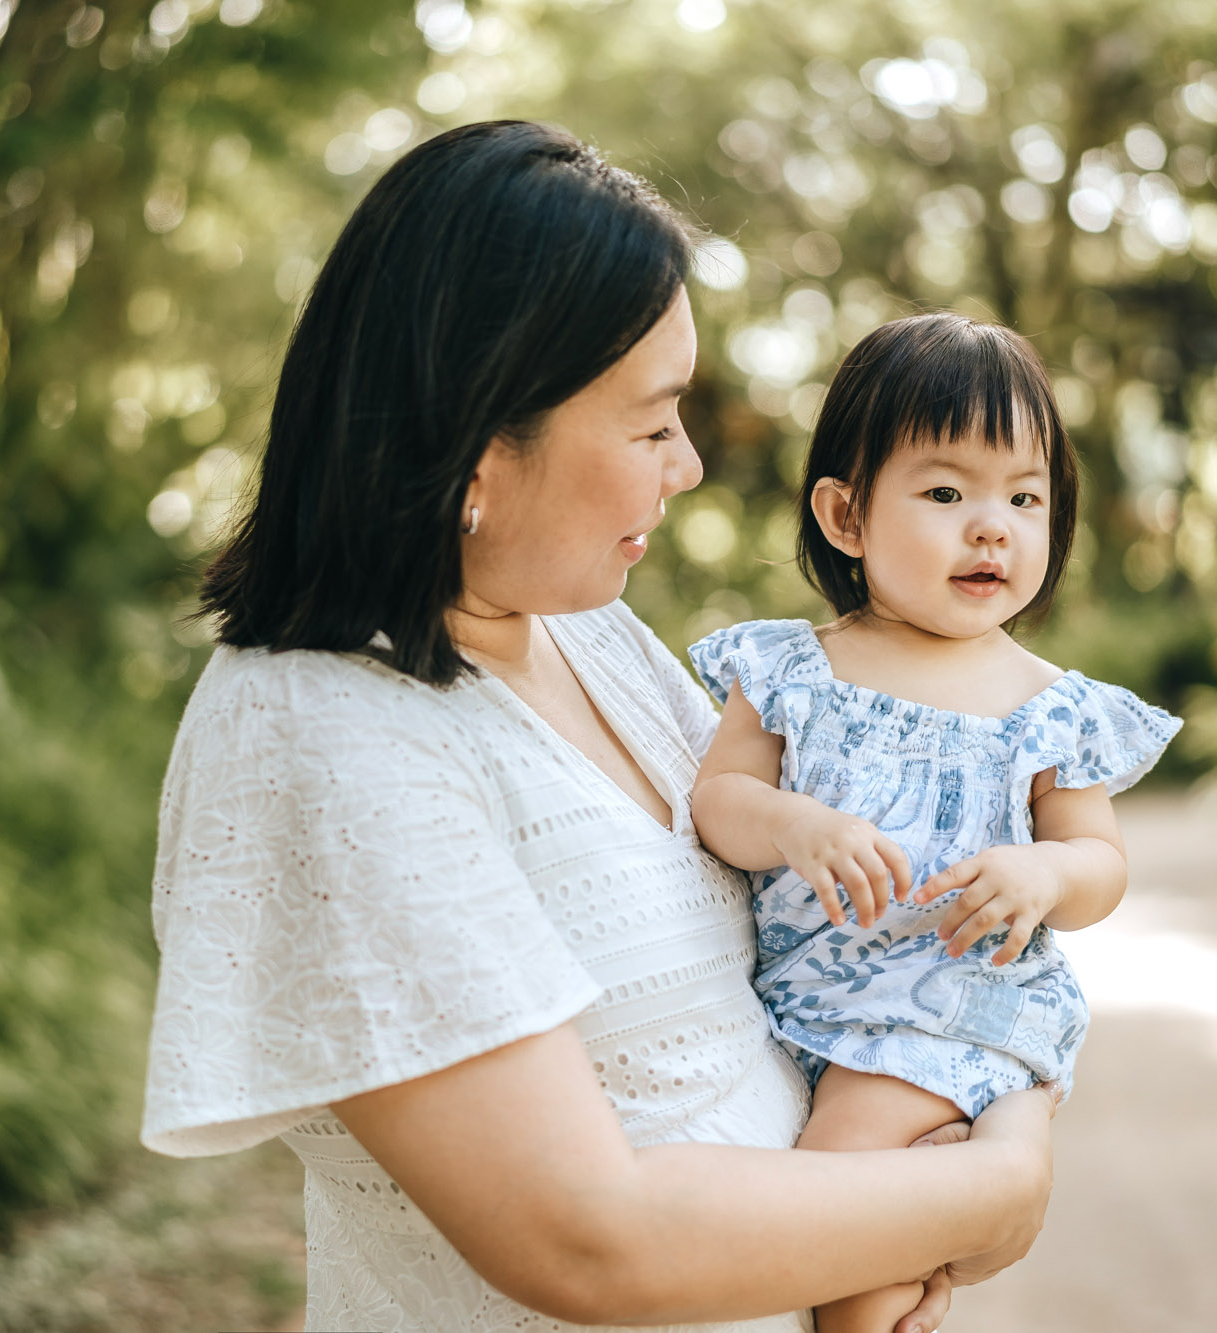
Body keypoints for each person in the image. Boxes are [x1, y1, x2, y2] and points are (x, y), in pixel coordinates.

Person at [139, 121, 1055, 1333]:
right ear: (478, 443)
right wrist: (983, 1190)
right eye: (649, 421)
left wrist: (928, 1162)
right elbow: (586, 1237)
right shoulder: (323, 735)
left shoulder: (584, 632)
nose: (684, 464)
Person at [686, 313, 1182, 1333]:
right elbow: (718, 803)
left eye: (1023, 496)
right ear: (845, 515)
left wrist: (1044, 876)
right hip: (804, 1004)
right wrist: (792, 824)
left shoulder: (1047, 705)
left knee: (837, 1224)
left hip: (945, 1003)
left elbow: (1099, 861)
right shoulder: (787, 669)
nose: (990, 524)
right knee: (854, 1232)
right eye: (946, 491)